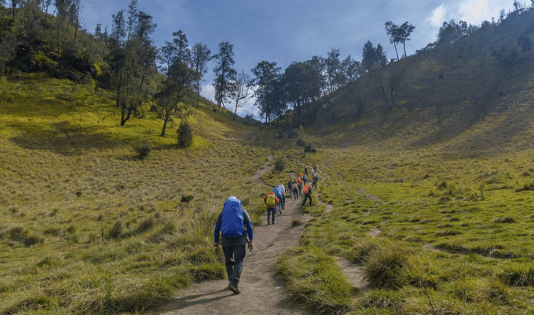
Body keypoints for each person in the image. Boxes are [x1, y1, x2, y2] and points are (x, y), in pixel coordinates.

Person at [213, 197, 254, 294]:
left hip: (226, 241)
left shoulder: (222, 213)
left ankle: (231, 280)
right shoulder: (243, 212)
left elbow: (216, 229)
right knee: (238, 261)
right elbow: (249, 227)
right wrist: (250, 240)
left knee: (229, 261)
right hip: (240, 240)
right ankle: (234, 283)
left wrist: (216, 243)